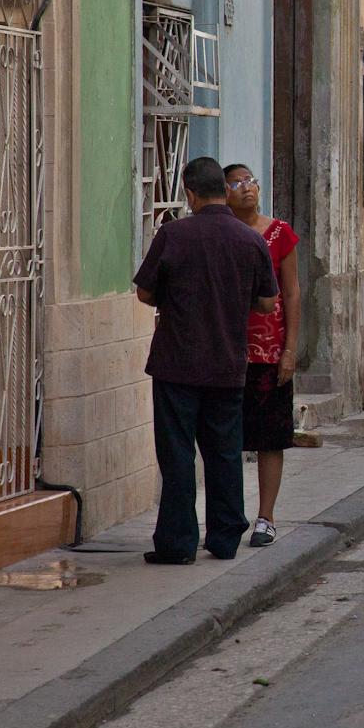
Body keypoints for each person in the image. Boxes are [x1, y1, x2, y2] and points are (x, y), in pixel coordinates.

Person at [133, 157, 278, 565]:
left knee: (178, 454)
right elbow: (267, 302)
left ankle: (178, 543)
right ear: (225, 190)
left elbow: (145, 293)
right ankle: (226, 535)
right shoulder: (250, 240)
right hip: (227, 363)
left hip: (177, 363)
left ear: (190, 194)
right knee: (225, 452)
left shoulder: (173, 234)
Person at [223, 164, 301, 549]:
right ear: (223, 193)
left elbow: (292, 294)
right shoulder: (224, 235)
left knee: (270, 438)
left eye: (251, 180)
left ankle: (266, 517)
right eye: (236, 183)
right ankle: (229, 516)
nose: (246, 188)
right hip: (228, 353)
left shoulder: (279, 234)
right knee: (228, 438)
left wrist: (289, 350)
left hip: (270, 355)